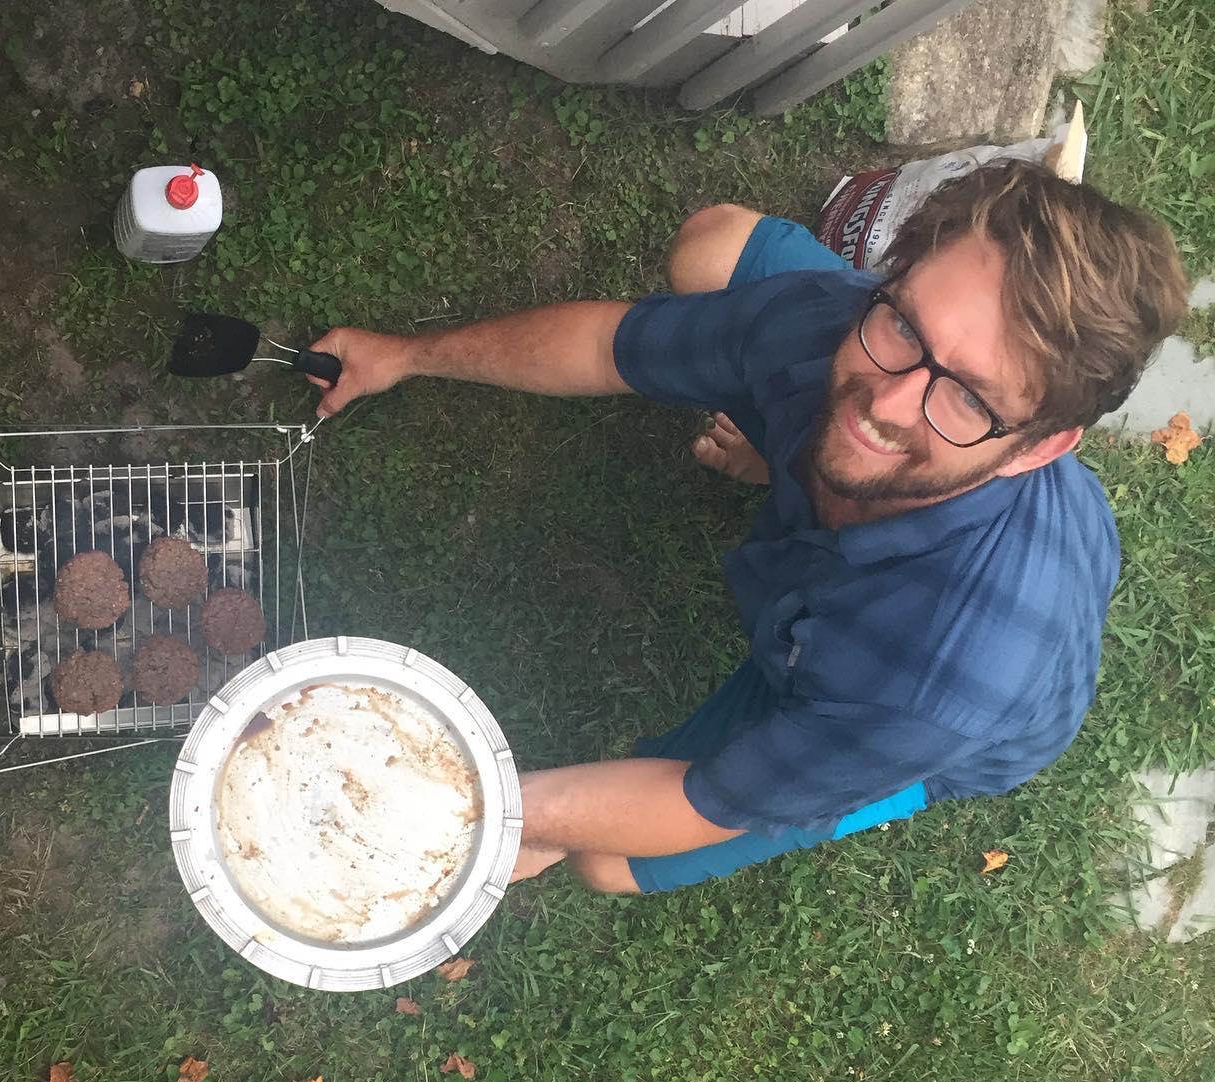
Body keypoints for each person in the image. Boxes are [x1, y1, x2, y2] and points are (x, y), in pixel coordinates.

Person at [305, 160, 1188, 896]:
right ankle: (798, 464)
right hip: (919, 566)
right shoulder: (836, 328)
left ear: (1041, 447)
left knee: (607, 861)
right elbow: (606, 347)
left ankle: (804, 483)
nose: (883, 403)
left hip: (934, 723)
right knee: (713, 245)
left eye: (968, 395)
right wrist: (405, 356)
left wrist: (454, 796)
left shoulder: (933, 685)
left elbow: (702, 802)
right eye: (905, 322)